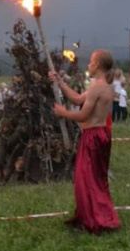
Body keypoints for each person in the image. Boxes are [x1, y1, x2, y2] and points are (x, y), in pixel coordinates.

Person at [50, 49, 121, 235]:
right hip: (101, 135)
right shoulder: (104, 86)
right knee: (94, 179)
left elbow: (82, 115)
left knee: (87, 180)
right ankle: (92, 216)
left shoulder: (98, 87)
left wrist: (62, 113)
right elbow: (77, 98)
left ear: (97, 65)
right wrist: (59, 82)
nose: (88, 65)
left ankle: (97, 220)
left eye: (90, 62)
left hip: (93, 138)